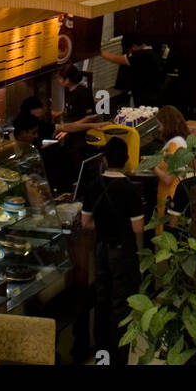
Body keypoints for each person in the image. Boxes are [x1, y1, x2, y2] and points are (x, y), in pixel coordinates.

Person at [80, 135, 144, 366]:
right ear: (126, 161)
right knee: (121, 305)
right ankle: (119, 358)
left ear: (104, 159)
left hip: (101, 250)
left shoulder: (94, 185)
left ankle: (101, 356)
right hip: (122, 252)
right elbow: (137, 227)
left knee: (102, 300)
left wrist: (104, 224)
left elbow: (85, 222)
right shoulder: (130, 189)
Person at [101, 32, 166, 106]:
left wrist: (99, 52)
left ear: (133, 46)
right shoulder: (150, 51)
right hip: (153, 93)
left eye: (129, 50)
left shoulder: (141, 55)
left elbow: (117, 59)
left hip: (146, 96)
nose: (129, 53)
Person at [153, 104, 189, 228]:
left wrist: (153, 167)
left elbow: (168, 179)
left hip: (170, 198)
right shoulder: (180, 141)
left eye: (160, 125)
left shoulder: (176, 145)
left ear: (168, 125)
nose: (159, 129)